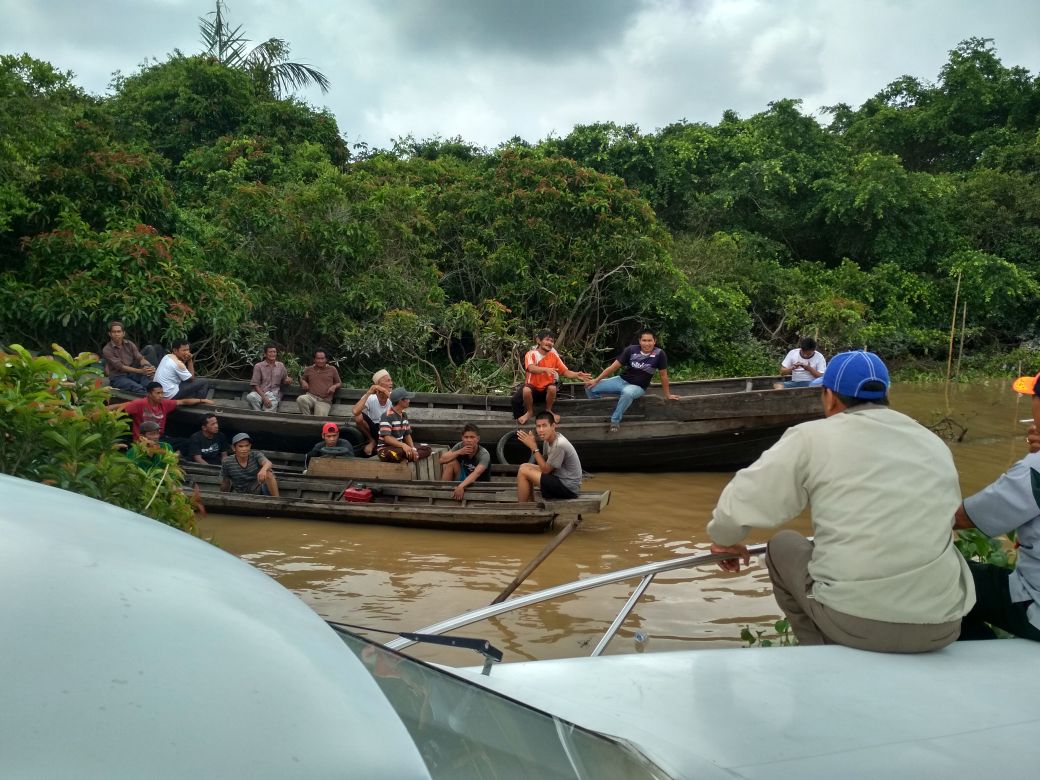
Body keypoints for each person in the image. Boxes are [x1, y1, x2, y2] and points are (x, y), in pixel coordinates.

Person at [706, 350, 975, 653]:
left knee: (782, 544)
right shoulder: (932, 441)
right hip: (943, 625)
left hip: (857, 625)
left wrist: (724, 540)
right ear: (886, 395)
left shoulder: (810, 437)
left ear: (830, 397)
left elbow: (742, 497)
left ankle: (820, 653)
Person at [955, 371, 1040, 642]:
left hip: (1034, 605)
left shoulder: (1034, 470)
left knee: (947, 578)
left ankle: (979, 654)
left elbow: (962, 518)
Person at [584, 328, 680, 432]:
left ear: (654, 341)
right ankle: (602, 408)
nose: (647, 344)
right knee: (589, 386)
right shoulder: (631, 350)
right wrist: (596, 380)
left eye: (649, 341)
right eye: (644, 340)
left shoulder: (659, 354)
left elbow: (663, 376)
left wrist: (667, 395)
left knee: (627, 392)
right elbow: (613, 367)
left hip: (638, 387)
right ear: (639, 341)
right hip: (621, 380)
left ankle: (615, 420)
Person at [510, 330, 591, 425]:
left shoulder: (554, 356)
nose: (550, 343)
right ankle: (527, 414)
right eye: (547, 340)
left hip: (546, 389)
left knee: (552, 387)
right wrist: (545, 369)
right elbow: (531, 368)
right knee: (521, 394)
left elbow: (565, 371)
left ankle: (549, 410)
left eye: (552, 341)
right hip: (533, 387)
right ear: (538, 341)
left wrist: (577, 375)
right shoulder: (531, 354)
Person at [515, 411, 583, 501]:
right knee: (524, 466)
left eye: (544, 425)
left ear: (553, 426)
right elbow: (545, 463)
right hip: (557, 478)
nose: (541, 430)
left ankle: (521, 509)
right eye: (538, 426)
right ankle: (530, 505)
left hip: (568, 487)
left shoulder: (559, 444)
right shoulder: (547, 440)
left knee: (524, 471)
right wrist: (533, 444)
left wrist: (533, 447)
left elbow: (546, 470)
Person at [112, 381, 213, 439]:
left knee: (184, 443)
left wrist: (201, 400)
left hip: (159, 438)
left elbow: (183, 402)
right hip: (143, 440)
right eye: (158, 393)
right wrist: (102, 410)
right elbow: (120, 406)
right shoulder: (139, 403)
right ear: (149, 394)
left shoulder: (164, 403)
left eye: (162, 393)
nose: (161, 396)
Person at [439, 423, 492, 500]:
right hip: (463, 477)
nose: (469, 440)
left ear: (478, 439)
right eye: (466, 437)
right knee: (451, 463)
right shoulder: (460, 446)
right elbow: (441, 460)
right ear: (462, 438)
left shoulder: (484, 454)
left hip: (478, 484)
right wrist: (459, 452)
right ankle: (443, 492)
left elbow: (476, 473)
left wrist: (461, 486)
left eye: (472, 437)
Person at [101, 320, 154, 396]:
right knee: (139, 388)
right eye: (114, 332)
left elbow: (140, 359)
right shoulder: (107, 349)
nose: (116, 334)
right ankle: (147, 402)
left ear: (123, 333)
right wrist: (140, 371)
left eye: (119, 332)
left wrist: (150, 367)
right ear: (110, 334)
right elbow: (121, 367)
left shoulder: (129, 344)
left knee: (150, 384)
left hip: (132, 373)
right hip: (118, 378)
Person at [353, 369, 393, 457]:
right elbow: (355, 411)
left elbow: (401, 408)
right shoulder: (371, 397)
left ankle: (377, 443)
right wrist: (369, 392)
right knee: (358, 416)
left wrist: (386, 392)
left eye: (391, 380)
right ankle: (372, 440)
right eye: (388, 380)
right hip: (374, 429)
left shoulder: (393, 396)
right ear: (378, 384)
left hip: (389, 429)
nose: (391, 383)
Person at [378, 387, 421, 462]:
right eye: (407, 399)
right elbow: (387, 438)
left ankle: (411, 455)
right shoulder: (387, 416)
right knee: (399, 453)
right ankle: (410, 456)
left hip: (399, 447)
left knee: (427, 449)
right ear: (400, 401)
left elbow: (407, 434)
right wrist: (403, 445)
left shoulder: (404, 415)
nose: (409, 401)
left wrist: (412, 448)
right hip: (387, 449)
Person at [297, 349, 342, 417]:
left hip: (324, 400)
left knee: (319, 419)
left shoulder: (332, 369)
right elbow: (302, 379)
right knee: (301, 399)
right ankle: (307, 419)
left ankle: (311, 423)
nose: (320, 361)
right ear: (314, 359)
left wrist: (334, 386)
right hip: (310, 396)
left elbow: (339, 383)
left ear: (326, 359)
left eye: (322, 358)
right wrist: (303, 382)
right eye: (318, 358)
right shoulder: (309, 369)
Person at [247, 344, 291, 412]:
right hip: (260, 392)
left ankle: (261, 418)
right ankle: (259, 414)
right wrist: (264, 398)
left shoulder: (281, 365)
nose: (272, 354)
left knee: (269, 410)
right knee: (251, 397)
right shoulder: (258, 366)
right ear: (265, 354)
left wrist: (288, 380)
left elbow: (285, 379)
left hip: (274, 394)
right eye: (270, 352)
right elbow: (255, 384)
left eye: (274, 352)